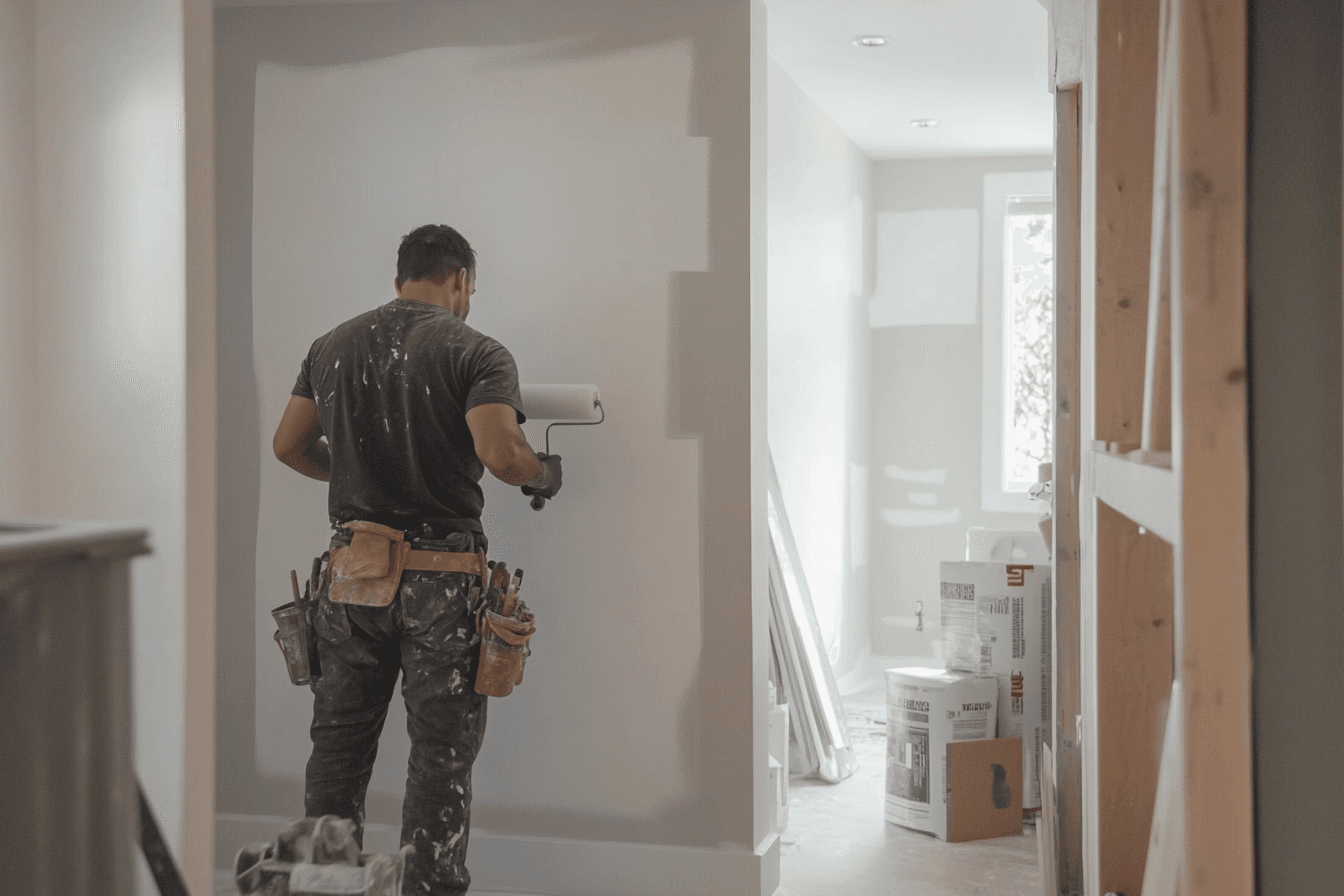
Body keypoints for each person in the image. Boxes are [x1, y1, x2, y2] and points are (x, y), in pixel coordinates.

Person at [272, 224, 562, 895]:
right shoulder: (476, 351)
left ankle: (324, 884)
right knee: (440, 756)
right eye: (470, 290)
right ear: (460, 279)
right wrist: (542, 474)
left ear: (401, 276)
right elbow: (502, 454)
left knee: (338, 746)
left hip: (352, 577)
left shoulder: (331, 346)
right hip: (442, 584)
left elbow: (289, 445)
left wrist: (360, 472)